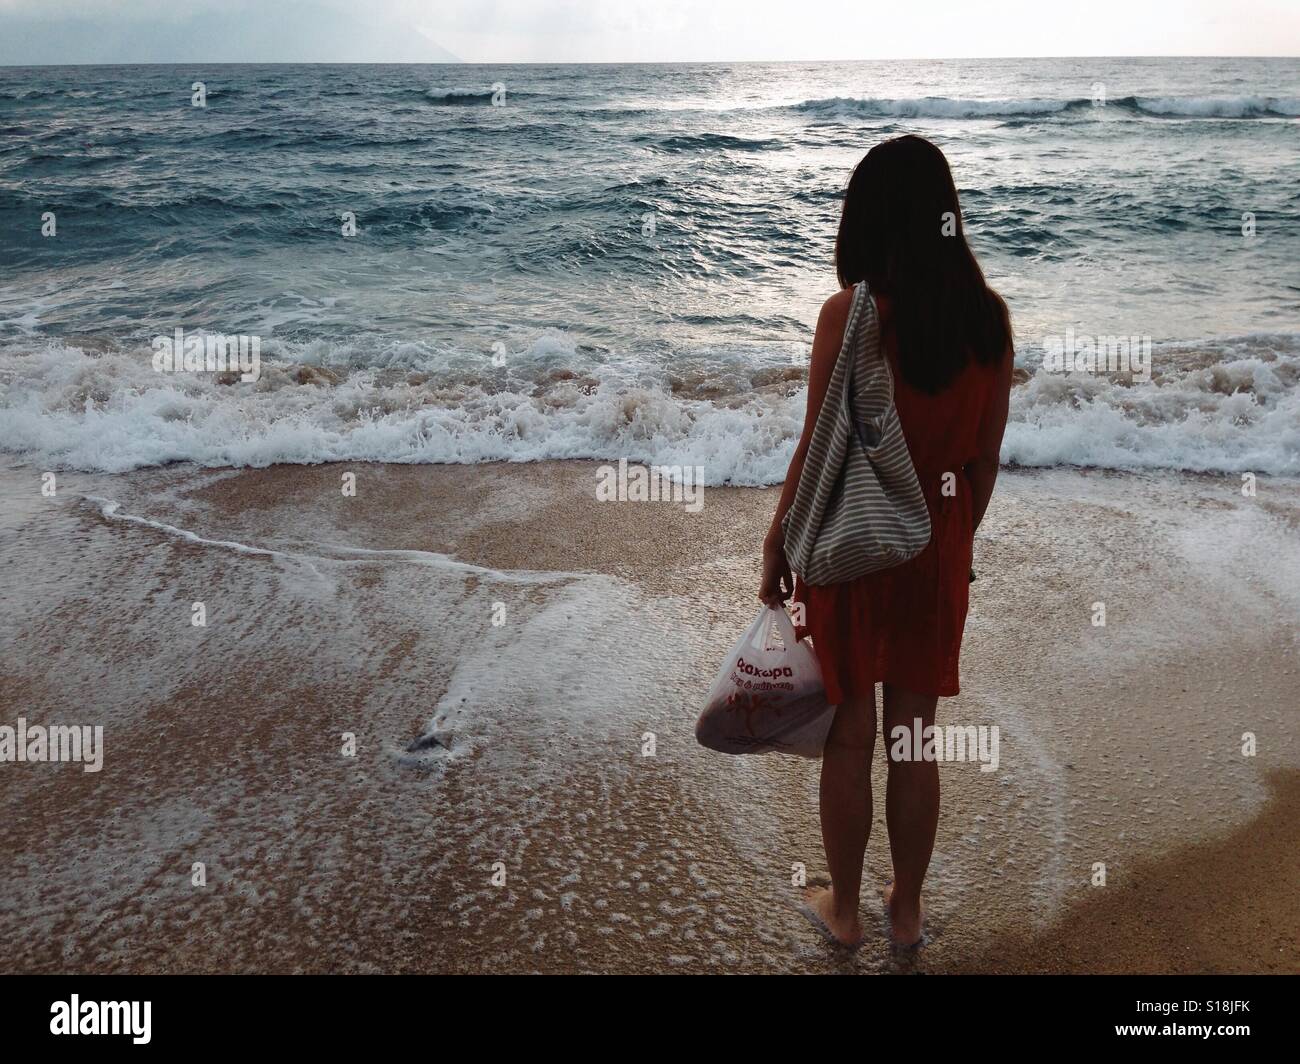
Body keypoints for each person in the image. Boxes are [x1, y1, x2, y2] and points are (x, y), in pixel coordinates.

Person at [759, 135, 1014, 948]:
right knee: (913, 735)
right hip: (934, 538)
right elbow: (983, 461)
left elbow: (815, 446)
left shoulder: (851, 314)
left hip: (850, 537)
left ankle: (844, 914)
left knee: (849, 735)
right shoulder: (989, 321)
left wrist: (778, 542)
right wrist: (955, 549)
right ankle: (904, 908)